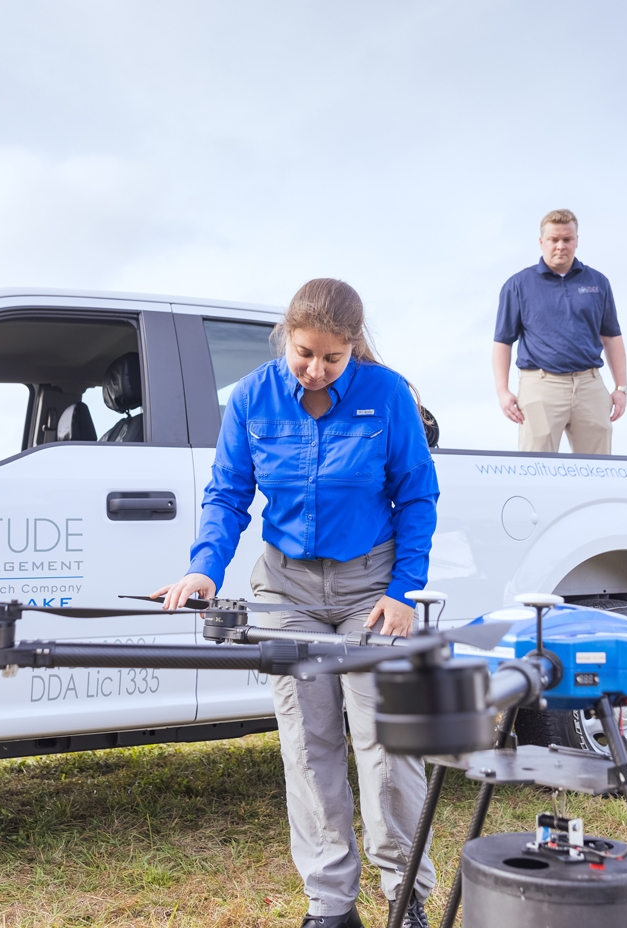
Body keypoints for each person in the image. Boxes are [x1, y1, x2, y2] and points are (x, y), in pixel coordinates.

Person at [153, 278, 438, 928]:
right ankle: (330, 905)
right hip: (286, 589)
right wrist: (204, 570)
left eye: (332, 358)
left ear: (353, 348)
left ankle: (405, 894)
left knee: (386, 744)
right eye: (304, 353)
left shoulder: (386, 395)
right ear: (287, 337)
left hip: (371, 586)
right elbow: (227, 495)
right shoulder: (253, 398)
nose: (315, 369)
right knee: (309, 747)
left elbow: (416, 497)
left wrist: (401, 592)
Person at [491, 208, 627, 453]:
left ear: (577, 240)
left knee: (599, 470)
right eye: (554, 240)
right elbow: (503, 342)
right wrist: (503, 391)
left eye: (567, 239)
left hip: (590, 384)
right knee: (536, 468)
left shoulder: (598, 283)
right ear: (541, 242)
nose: (561, 246)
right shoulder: (518, 285)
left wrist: (621, 388)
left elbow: (612, 336)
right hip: (541, 385)